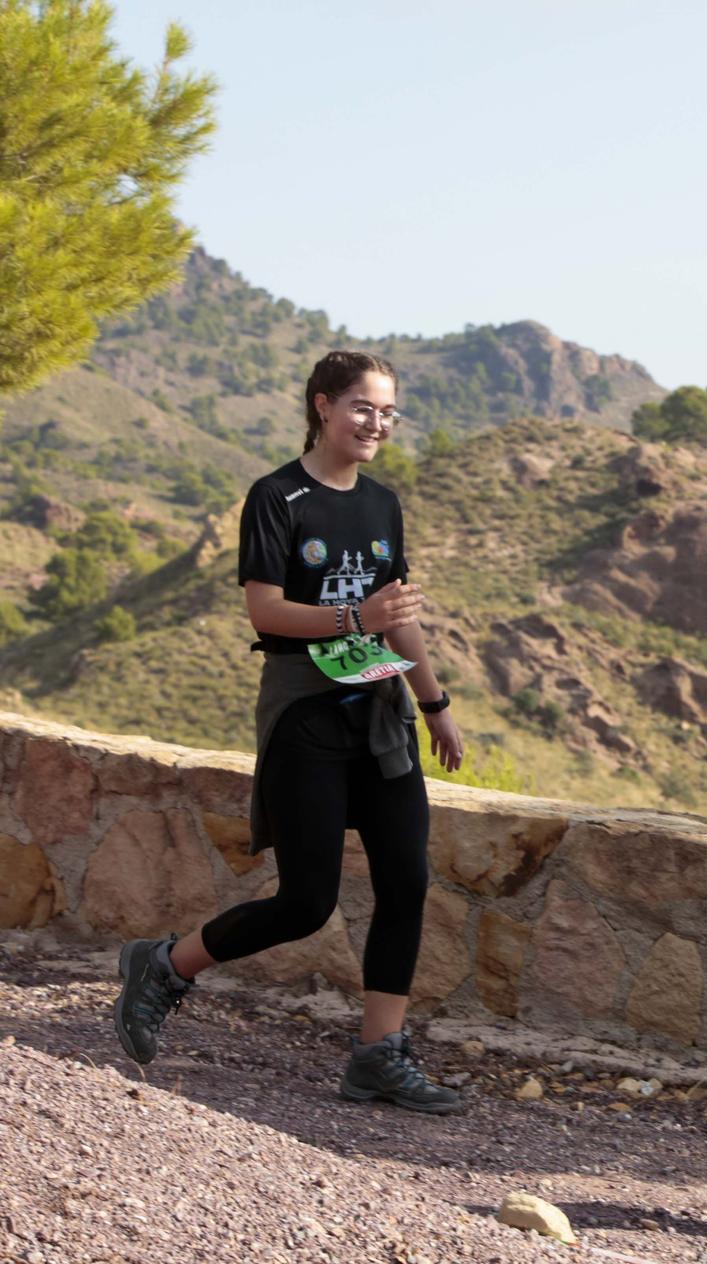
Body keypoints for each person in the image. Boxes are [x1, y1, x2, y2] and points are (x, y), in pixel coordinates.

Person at [111, 350, 467, 1113]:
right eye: (363, 407)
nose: (377, 423)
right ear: (322, 407)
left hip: (381, 716)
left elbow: (396, 619)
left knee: (406, 881)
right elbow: (266, 611)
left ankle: (379, 1054)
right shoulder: (277, 497)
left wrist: (435, 704)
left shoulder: (382, 505)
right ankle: (167, 965)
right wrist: (352, 617)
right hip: (304, 713)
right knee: (307, 901)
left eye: (388, 411)